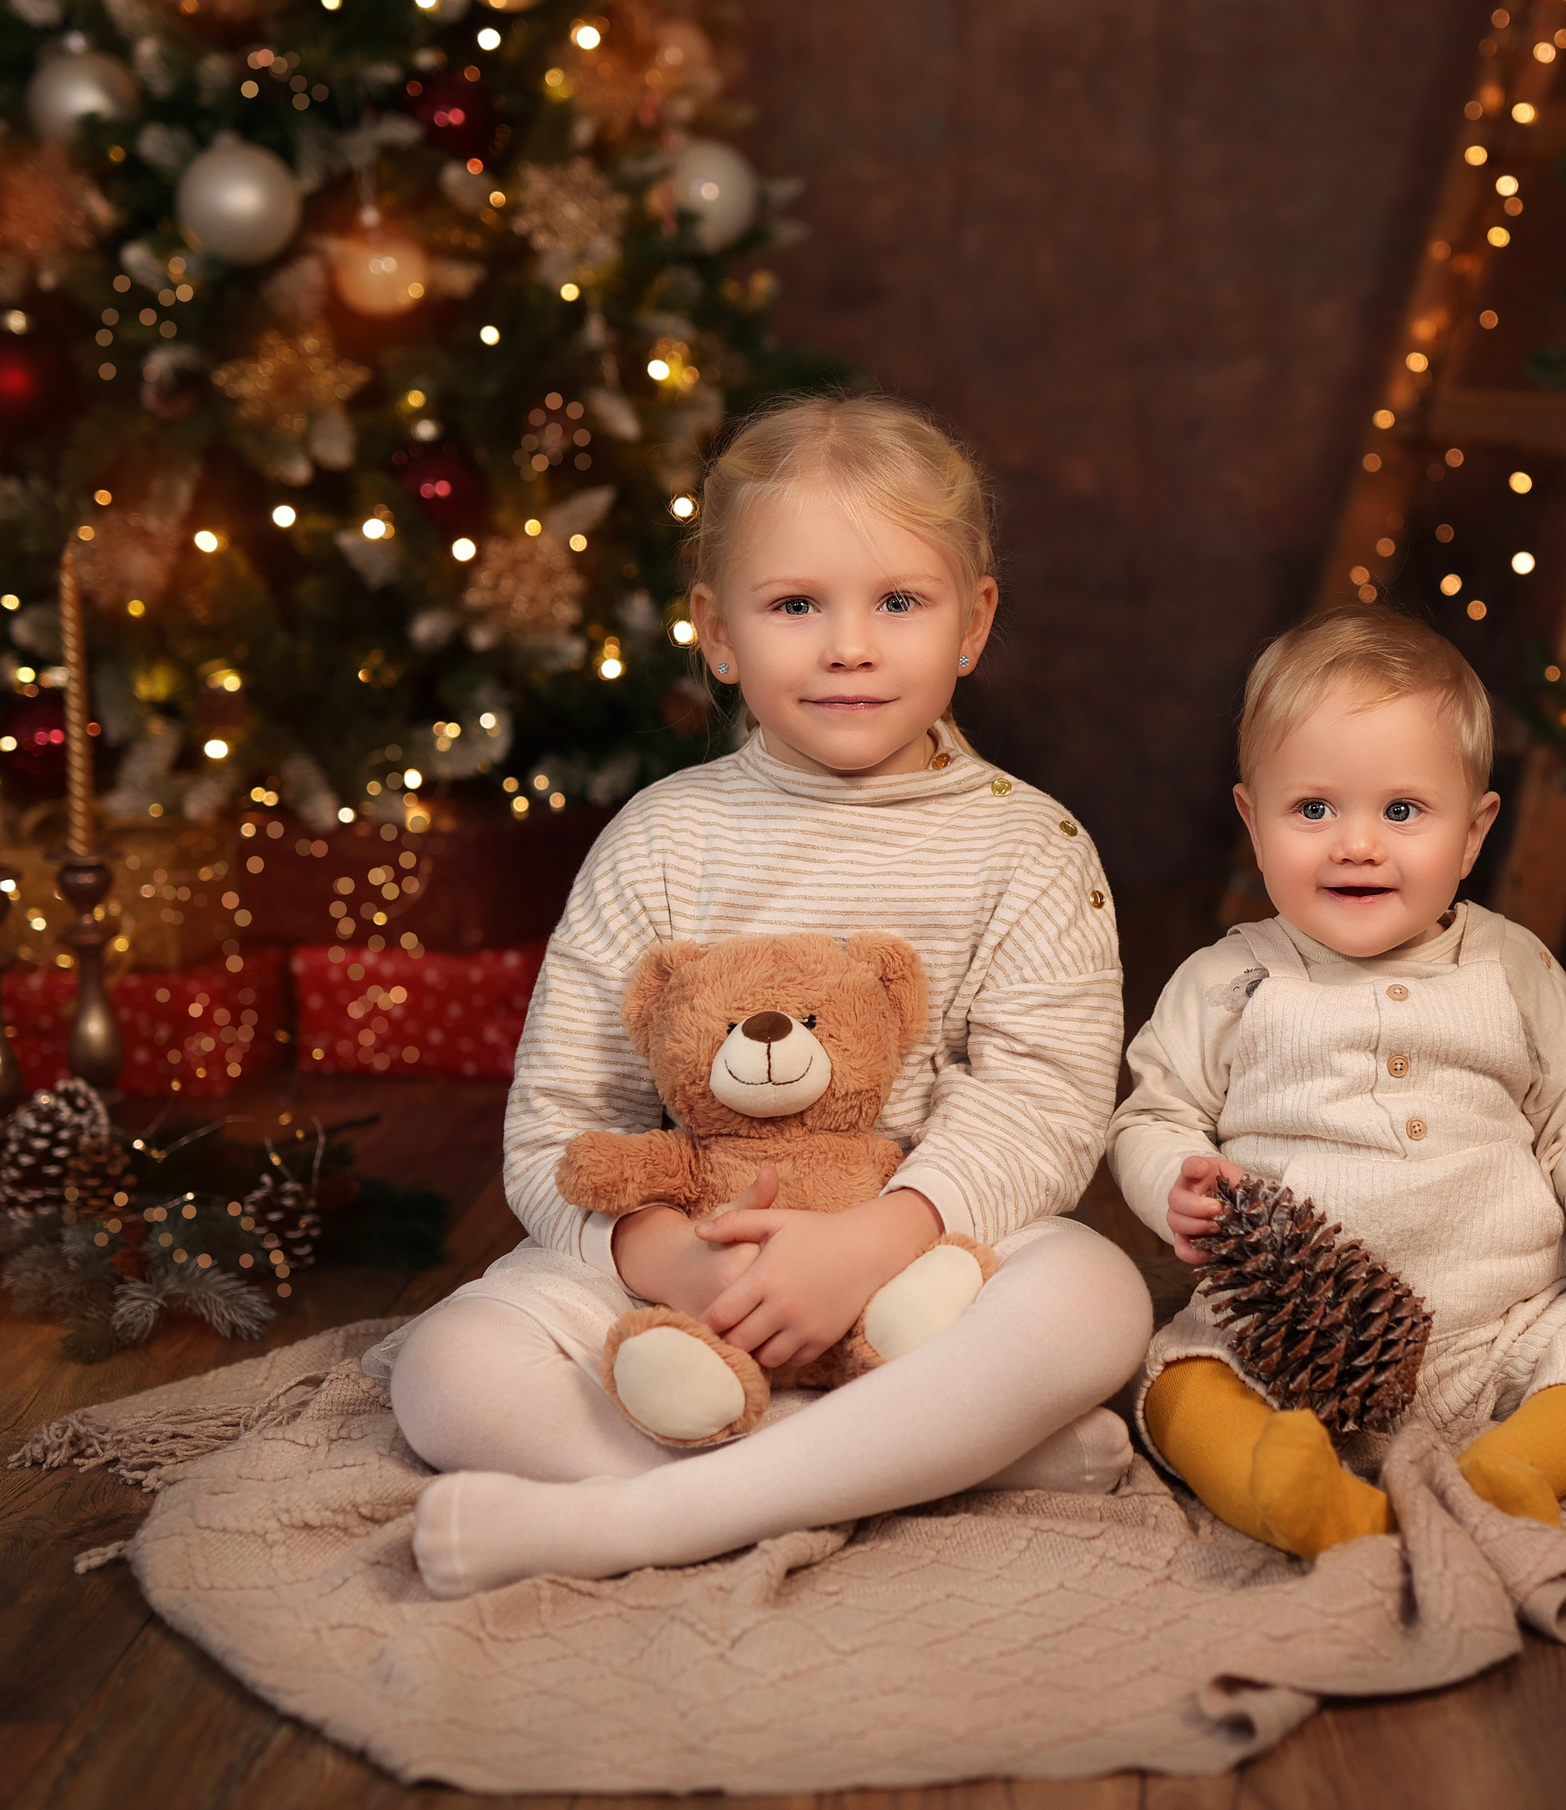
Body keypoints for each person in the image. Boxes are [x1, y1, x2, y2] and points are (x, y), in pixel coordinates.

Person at [388, 393, 1152, 1595]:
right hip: (687, 1267)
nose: (849, 646)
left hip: (913, 1260)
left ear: (973, 623)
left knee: (1095, 1300)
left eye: (899, 602)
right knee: (445, 1371)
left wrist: (870, 1243)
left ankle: (639, 1519)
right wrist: (673, 1264)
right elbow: (555, 1119)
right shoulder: (662, 840)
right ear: (719, 634)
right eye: (796, 605)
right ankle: (916, 1462)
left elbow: (1043, 1106)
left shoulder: (1029, 847)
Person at [1109, 603, 1566, 1560]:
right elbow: (1152, 1114)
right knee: (1175, 1377)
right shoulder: (1227, 981)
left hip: (1501, 1331)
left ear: (1473, 835)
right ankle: (1288, 1490)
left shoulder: (1511, 969)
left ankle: (1517, 1469)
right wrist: (1175, 1177)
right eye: (1313, 809)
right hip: (1281, 1335)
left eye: (1401, 811)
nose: (1357, 844)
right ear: (1251, 821)